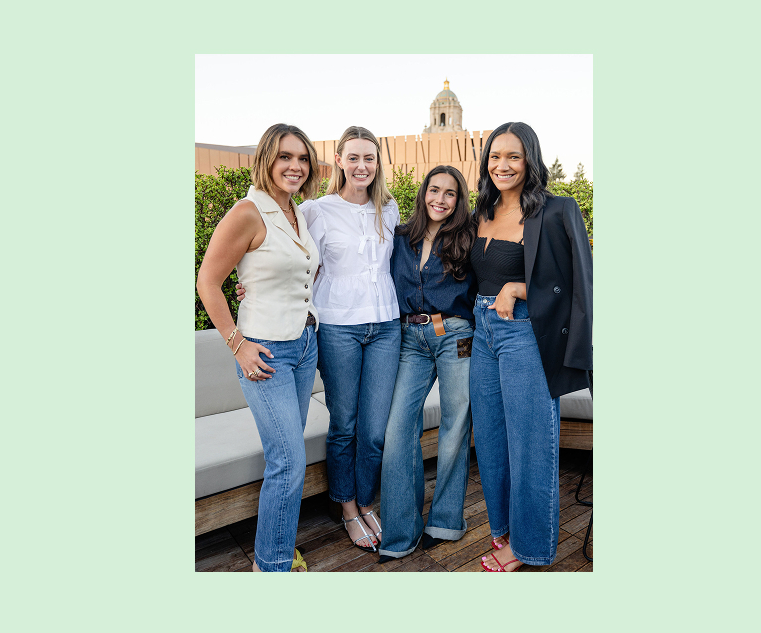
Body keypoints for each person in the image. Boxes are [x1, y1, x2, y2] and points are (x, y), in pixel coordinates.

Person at [244, 126, 401, 551]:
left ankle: (367, 501)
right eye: (353, 158)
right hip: (336, 327)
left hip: (386, 325)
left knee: (373, 430)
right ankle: (347, 506)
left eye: (369, 158)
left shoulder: (390, 209)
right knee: (345, 424)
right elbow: (290, 259)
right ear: (339, 162)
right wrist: (251, 288)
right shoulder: (316, 209)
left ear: (378, 164)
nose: (362, 166)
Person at [195, 123, 321, 572]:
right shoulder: (247, 212)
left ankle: (278, 546)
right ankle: (271, 566)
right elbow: (207, 282)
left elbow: (301, 271)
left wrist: (262, 289)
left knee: (286, 458)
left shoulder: (296, 213)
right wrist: (238, 344)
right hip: (265, 351)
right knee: (289, 461)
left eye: (303, 158)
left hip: (305, 347)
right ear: (267, 158)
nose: (295, 166)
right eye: (285, 156)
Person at [469, 122, 593, 572]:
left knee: (531, 445)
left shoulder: (558, 210)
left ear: (530, 161)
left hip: (525, 334)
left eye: (513, 157)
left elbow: (578, 282)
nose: (502, 165)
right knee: (493, 441)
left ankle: (530, 546)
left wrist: (519, 288)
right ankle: (504, 529)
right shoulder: (479, 210)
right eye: (495, 156)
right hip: (483, 336)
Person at [376, 165, 478, 564]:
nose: (440, 199)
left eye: (449, 193)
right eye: (434, 190)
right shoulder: (399, 237)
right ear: (423, 193)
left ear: (458, 200)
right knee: (398, 429)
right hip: (410, 340)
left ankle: (446, 520)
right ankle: (401, 532)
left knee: (455, 425)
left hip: (456, 335)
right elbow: (354, 266)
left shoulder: (469, 238)